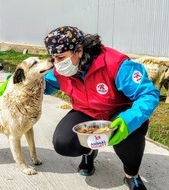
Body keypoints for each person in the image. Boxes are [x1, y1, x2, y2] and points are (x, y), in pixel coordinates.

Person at [43, 26, 159, 190]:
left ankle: (131, 174)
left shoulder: (115, 64)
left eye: (61, 58)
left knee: (130, 135)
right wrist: (16, 81)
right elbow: (43, 84)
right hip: (86, 112)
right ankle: (89, 152)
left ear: (79, 51)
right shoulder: (62, 70)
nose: (57, 64)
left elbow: (148, 94)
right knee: (64, 142)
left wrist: (129, 119)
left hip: (119, 113)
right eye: (53, 58)